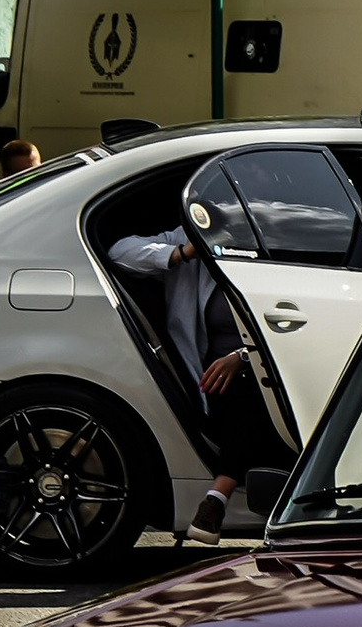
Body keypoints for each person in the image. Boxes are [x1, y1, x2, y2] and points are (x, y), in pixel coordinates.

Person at [104, 207, 282, 543]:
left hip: (270, 371)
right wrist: (183, 253)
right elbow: (120, 253)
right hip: (209, 379)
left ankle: (216, 498)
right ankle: (217, 500)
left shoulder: (275, 253)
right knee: (235, 391)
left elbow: (287, 327)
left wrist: (243, 357)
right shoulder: (193, 243)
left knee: (251, 387)